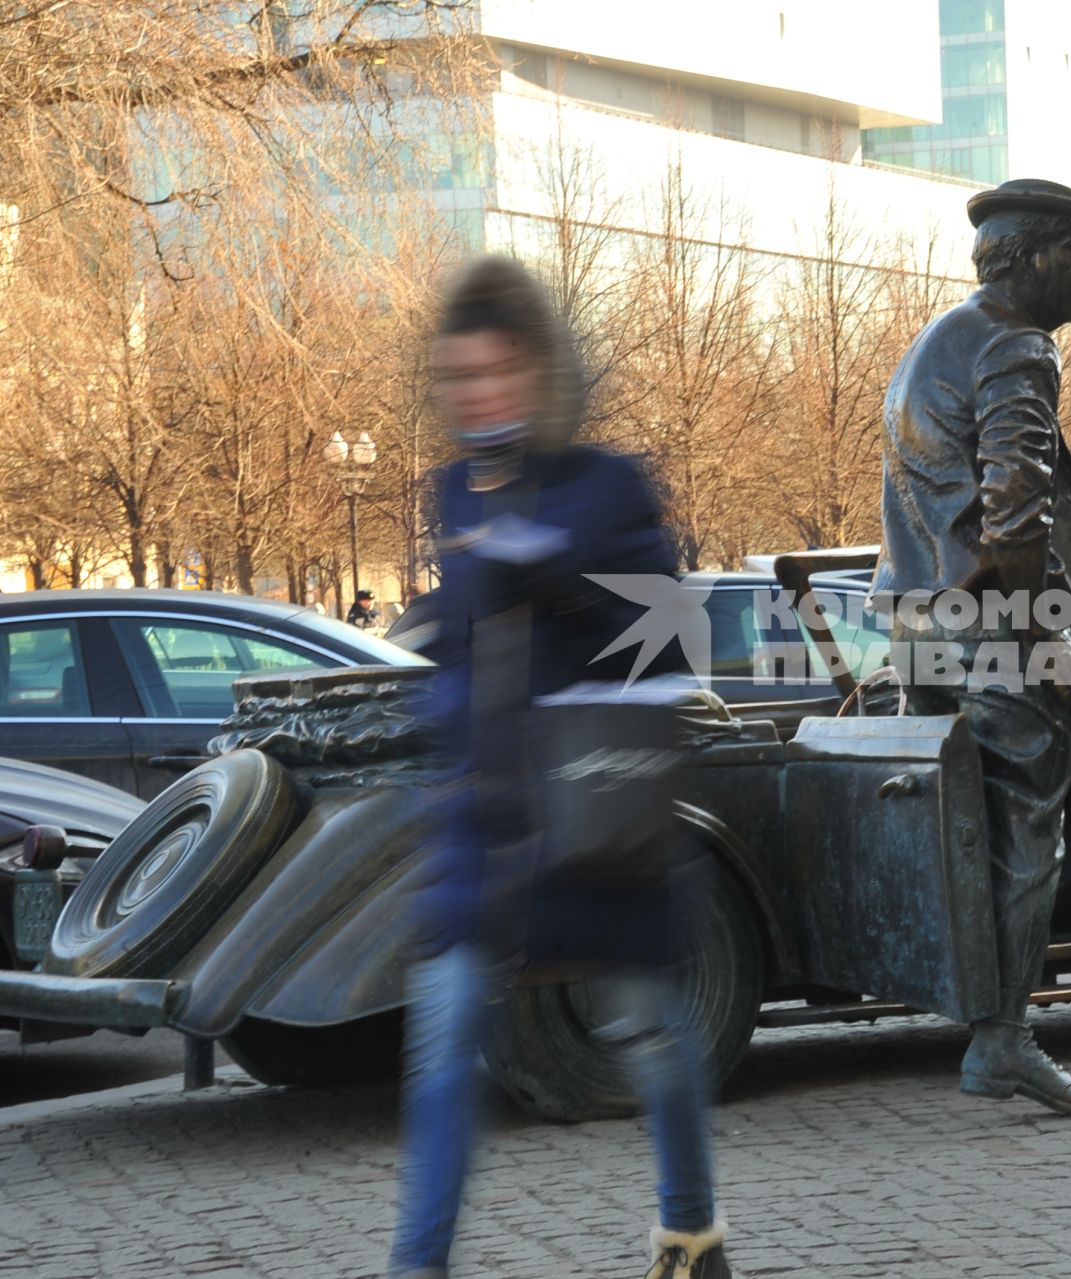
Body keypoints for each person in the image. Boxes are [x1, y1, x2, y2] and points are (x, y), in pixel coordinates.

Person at [388, 255, 736, 1279]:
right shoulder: (449, 490)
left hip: (593, 807)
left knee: (653, 1035)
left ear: (541, 370)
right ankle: (419, 1266)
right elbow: (468, 648)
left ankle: (691, 1232)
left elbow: (668, 628)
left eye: (498, 371)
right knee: (443, 1047)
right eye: (460, 378)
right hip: (482, 819)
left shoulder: (605, 481)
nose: (479, 395)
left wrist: (549, 573)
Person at [871, 178, 1071, 1117]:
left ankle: (983, 1026)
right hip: (996, 631)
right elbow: (1014, 517)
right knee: (1029, 829)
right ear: (1029, 260)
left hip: (921, 625)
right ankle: (1007, 1042)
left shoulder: (933, 344)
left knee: (961, 829)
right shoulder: (1017, 347)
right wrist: (1041, 638)